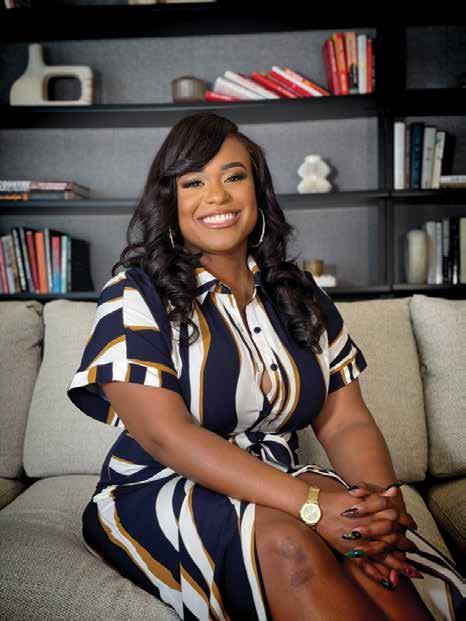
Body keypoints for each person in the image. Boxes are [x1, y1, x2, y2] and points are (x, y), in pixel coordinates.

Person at [67, 112, 465, 621]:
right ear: (169, 200)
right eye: (194, 182)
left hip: (277, 478)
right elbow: (168, 436)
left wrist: (384, 509)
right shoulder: (134, 293)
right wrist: (312, 506)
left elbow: (346, 421)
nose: (217, 196)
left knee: (366, 542)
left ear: (257, 191)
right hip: (157, 486)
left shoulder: (301, 294)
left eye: (233, 176)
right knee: (287, 544)